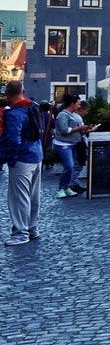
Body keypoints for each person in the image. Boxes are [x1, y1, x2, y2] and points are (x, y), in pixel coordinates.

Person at [2, 80, 44, 246]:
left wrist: (11, 159)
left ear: (7, 95)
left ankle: (21, 232)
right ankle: (32, 228)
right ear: (23, 91)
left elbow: (13, 139)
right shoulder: (34, 107)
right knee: (34, 195)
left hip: (22, 158)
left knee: (19, 197)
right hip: (36, 154)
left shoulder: (14, 114)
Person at [52, 94, 95, 198]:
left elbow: (74, 131)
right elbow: (64, 130)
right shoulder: (63, 115)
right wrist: (80, 128)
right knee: (69, 166)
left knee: (71, 167)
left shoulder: (71, 114)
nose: (79, 106)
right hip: (63, 144)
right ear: (72, 104)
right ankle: (61, 188)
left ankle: (67, 187)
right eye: (78, 103)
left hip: (72, 143)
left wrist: (85, 130)